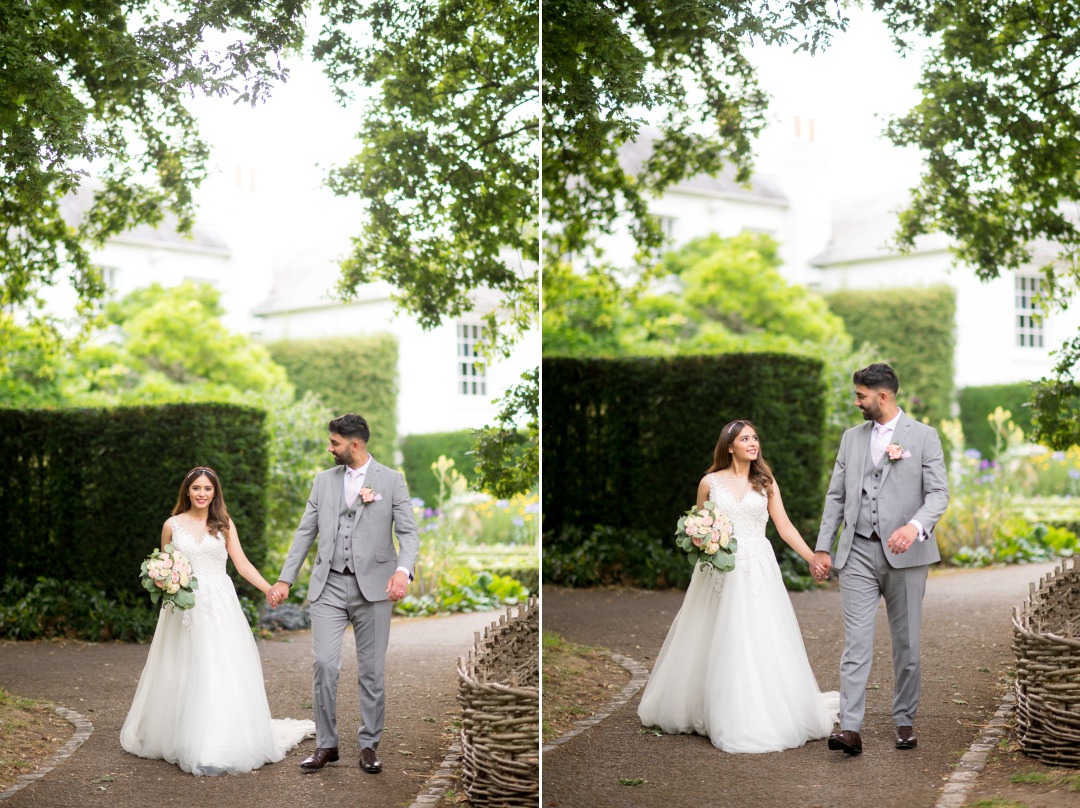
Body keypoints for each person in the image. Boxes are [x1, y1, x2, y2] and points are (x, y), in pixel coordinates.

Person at [637, 419, 838, 753]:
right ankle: (708, 706)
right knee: (715, 634)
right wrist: (707, 541)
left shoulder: (766, 482)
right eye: (745, 439)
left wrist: (811, 557)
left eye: (755, 438)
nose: (753, 443)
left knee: (759, 633)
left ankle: (761, 708)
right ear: (729, 446)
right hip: (720, 569)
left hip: (758, 565)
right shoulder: (709, 483)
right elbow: (699, 526)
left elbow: (784, 526)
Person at [120, 466, 315, 776]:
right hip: (184, 605)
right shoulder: (172, 525)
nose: (201, 493)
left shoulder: (223, 525)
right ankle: (181, 733)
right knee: (183, 665)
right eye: (196, 488)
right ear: (187, 491)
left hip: (220, 603)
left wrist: (268, 588)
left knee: (218, 664)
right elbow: (166, 563)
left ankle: (218, 738)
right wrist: (166, 581)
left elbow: (240, 563)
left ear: (215, 493)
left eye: (207, 489)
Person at [267, 413, 419, 775]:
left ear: (354, 444)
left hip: (376, 587)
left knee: (371, 672)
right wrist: (285, 579)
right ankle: (327, 744)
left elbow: (409, 534)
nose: (329, 448)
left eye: (334, 443)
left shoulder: (392, 481)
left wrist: (402, 570)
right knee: (324, 664)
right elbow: (305, 532)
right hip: (329, 585)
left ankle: (368, 745)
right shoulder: (323, 481)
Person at [813, 363, 949, 756]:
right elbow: (836, 496)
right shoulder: (851, 439)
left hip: (907, 557)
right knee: (856, 644)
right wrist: (824, 546)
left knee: (906, 645)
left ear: (883, 397)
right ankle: (850, 728)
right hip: (857, 551)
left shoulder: (924, 437)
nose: (856, 402)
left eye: (861, 396)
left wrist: (914, 526)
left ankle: (904, 720)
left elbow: (938, 493)